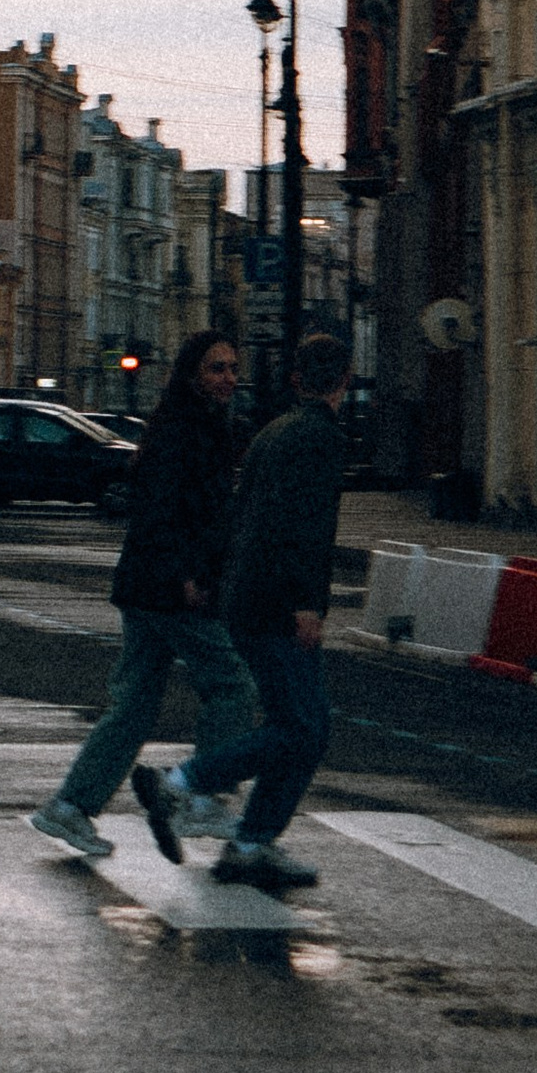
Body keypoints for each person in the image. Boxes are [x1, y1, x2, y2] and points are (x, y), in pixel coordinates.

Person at [30, 331, 261, 863]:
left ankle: (71, 806)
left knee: (133, 706)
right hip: (168, 588)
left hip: (145, 585)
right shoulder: (186, 430)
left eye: (232, 368)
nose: (229, 378)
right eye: (216, 369)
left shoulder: (192, 425)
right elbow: (161, 511)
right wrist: (187, 574)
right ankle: (200, 795)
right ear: (192, 376)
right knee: (232, 685)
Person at [189, 327, 352, 888]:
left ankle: (252, 843)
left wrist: (214, 580)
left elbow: (240, 515)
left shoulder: (271, 433)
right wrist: (307, 604)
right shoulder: (322, 438)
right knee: (304, 728)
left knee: (298, 727)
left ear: (295, 381)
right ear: (347, 383)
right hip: (279, 605)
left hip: (246, 596)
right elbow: (308, 529)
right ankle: (183, 784)